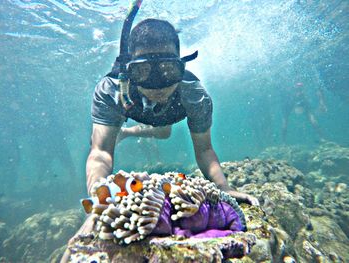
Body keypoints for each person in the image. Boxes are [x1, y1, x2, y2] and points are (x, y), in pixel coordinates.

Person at [61, 18, 258, 262]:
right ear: (128, 70)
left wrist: (224, 188)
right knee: (154, 132)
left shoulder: (194, 94)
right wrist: (99, 205)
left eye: (167, 70)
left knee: (164, 132)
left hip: (170, 115)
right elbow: (100, 152)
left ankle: (128, 133)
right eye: (143, 71)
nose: (158, 85)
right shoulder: (111, 90)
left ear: (181, 66)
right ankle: (123, 131)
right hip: (135, 108)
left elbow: (205, 150)